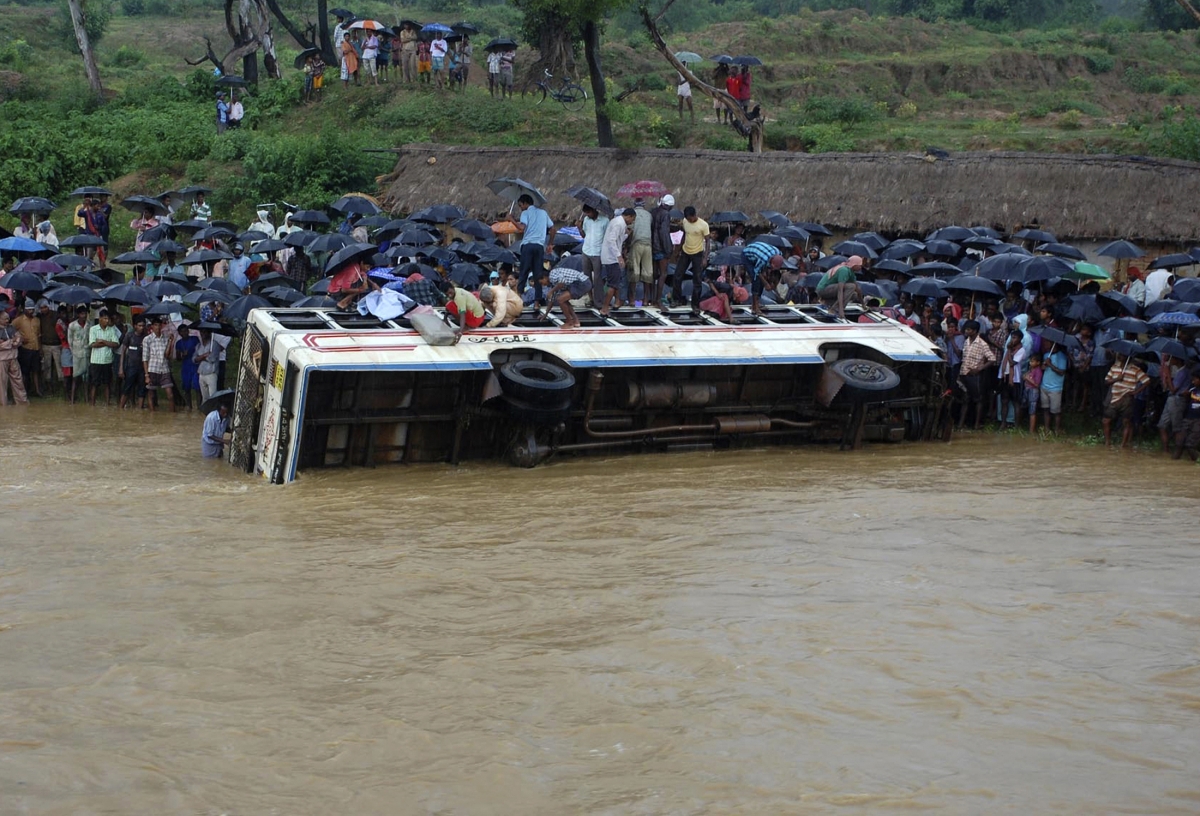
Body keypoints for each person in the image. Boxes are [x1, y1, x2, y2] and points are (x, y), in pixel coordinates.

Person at [510, 194, 556, 305]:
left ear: (526, 203)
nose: (521, 208)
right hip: (539, 246)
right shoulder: (543, 213)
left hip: (528, 245)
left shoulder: (525, 213)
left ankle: (518, 298)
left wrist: (511, 219)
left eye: (521, 205)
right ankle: (537, 302)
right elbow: (553, 229)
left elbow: (521, 228)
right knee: (537, 274)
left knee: (523, 272)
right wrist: (550, 244)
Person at [1103, 354, 1150, 448]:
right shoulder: (1114, 367)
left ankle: (1123, 444)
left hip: (1127, 399)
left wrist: (1135, 392)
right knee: (1106, 421)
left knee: (1126, 422)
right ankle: (1107, 442)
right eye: (1119, 354)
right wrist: (1117, 379)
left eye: (1122, 355)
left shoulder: (1135, 369)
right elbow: (1106, 381)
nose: (1119, 356)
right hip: (1114, 398)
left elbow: (1147, 381)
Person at [957, 319, 996, 430]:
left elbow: (992, 359)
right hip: (964, 373)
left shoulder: (982, 344)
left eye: (968, 329)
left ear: (974, 331)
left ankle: (977, 424)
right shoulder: (966, 341)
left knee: (978, 399)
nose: (966, 331)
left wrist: (980, 369)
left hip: (975, 375)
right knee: (965, 399)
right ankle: (961, 424)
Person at [672, 206, 711, 308]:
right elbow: (684, 235)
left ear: (694, 215)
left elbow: (707, 242)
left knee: (697, 280)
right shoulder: (685, 221)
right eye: (688, 219)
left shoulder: (703, 225)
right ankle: (677, 300)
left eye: (690, 219)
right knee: (677, 275)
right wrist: (678, 250)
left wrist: (705, 258)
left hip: (697, 253)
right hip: (685, 252)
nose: (689, 220)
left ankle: (695, 304)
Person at [600, 208, 635, 316]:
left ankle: (616, 303)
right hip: (611, 258)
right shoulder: (619, 224)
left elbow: (617, 239)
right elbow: (611, 240)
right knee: (613, 284)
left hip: (611, 257)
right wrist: (619, 257)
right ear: (628, 216)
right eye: (632, 219)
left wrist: (626, 235)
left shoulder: (617, 222)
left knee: (616, 281)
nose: (632, 222)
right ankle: (605, 308)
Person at [537, 265, 593, 329]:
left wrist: (551, 291)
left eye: (542, 283)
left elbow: (562, 282)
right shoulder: (555, 284)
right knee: (563, 300)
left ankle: (569, 322)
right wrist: (545, 314)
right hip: (582, 283)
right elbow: (552, 300)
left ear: (544, 278)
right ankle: (576, 321)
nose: (543, 285)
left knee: (560, 299)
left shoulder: (552, 275)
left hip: (581, 283)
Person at [741, 240, 787, 315]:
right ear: (771, 261)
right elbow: (757, 271)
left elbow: (769, 270)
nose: (773, 268)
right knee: (756, 280)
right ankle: (755, 308)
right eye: (772, 266)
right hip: (747, 255)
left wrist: (768, 281)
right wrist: (766, 283)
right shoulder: (764, 259)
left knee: (762, 279)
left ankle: (757, 303)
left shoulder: (779, 254)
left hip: (758, 254)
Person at [1157, 353, 1190, 453]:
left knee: (1177, 428)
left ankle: (1177, 451)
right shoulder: (1180, 371)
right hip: (1172, 399)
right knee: (1162, 426)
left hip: (1177, 400)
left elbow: (1173, 389)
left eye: (1172, 358)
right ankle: (1166, 450)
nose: (1170, 360)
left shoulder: (1183, 372)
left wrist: (1167, 374)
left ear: (1178, 360)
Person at [87, 309, 120, 406]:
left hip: (107, 360)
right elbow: (92, 344)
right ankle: (92, 404)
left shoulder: (111, 329)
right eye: (105, 318)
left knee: (107, 383)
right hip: (96, 361)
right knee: (94, 384)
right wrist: (107, 343)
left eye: (108, 319)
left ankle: (107, 403)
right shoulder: (93, 329)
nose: (107, 321)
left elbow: (115, 344)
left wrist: (103, 341)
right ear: (100, 319)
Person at [578, 204, 609, 307]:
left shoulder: (605, 221)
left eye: (589, 212)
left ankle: (598, 301)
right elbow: (584, 235)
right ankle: (590, 299)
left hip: (598, 252)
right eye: (586, 213)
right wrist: (579, 228)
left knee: (598, 279)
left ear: (594, 210)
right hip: (586, 250)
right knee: (586, 278)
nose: (587, 215)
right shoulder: (586, 220)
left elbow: (607, 238)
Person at [142, 317, 175, 413]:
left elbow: (167, 355)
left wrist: (170, 342)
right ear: (152, 326)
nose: (158, 327)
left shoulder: (165, 338)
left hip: (164, 369)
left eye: (159, 325)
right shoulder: (147, 339)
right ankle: (152, 414)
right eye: (155, 325)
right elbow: (145, 358)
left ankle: (172, 415)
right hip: (152, 369)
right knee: (151, 394)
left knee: (170, 395)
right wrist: (146, 375)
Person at [997, 330, 1026, 430]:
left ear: (1019, 339)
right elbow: (1004, 363)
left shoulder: (1021, 350)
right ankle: (1003, 423)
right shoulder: (1009, 348)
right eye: (1012, 337)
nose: (1012, 340)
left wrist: (1009, 350)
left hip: (1014, 379)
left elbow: (1012, 363)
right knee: (1004, 401)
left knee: (1015, 402)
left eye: (1015, 338)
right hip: (1005, 377)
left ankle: (1016, 425)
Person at [11, 299, 41, 397]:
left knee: (36, 371)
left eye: (32, 309)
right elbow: (10, 330)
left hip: (36, 348)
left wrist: (40, 349)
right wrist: (19, 339)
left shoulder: (37, 320)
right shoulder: (19, 320)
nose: (31, 311)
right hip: (25, 349)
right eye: (29, 310)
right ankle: (24, 392)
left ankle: (37, 391)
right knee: (25, 372)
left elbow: (39, 335)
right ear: (24, 309)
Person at [627, 199, 653, 306]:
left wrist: (627, 246)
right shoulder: (649, 215)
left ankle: (632, 300)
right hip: (648, 245)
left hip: (636, 244)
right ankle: (646, 300)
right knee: (647, 273)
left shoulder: (632, 215)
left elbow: (629, 232)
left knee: (634, 272)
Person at [1040, 341, 1069, 435]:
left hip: (1055, 388)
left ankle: (1057, 430)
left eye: (1047, 343)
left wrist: (1050, 365)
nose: (1045, 344)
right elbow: (1043, 368)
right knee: (1045, 409)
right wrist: (1043, 366)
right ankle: (1046, 429)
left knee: (1056, 411)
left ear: (1053, 344)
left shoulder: (1062, 356)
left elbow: (1062, 372)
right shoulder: (1046, 355)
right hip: (1044, 385)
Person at [118, 316, 147, 410]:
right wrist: (121, 368)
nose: (141, 327)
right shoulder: (129, 336)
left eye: (143, 326)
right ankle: (120, 409)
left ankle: (139, 410)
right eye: (139, 326)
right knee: (127, 388)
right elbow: (123, 351)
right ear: (135, 326)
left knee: (142, 389)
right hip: (131, 366)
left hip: (142, 368)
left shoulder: (146, 338)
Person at [0, 310, 28, 406]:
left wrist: (12, 342)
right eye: (5, 319)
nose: (8, 320)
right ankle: (3, 404)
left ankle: (21, 402)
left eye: (8, 318)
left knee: (18, 380)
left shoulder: (12, 328)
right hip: (2, 359)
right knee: (1, 382)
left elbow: (19, 338)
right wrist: (11, 342)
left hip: (13, 357)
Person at [650, 194, 674, 308]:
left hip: (652, 247)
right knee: (663, 274)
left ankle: (652, 299)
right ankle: (658, 300)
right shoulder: (665, 214)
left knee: (654, 274)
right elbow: (664, 233)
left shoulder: (653, 212)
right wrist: (669, 250)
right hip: (661, 248)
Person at [1172, 369, 1200, 461]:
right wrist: (1185, 395)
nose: (1193, 381)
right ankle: (1173, 463)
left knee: (1190, 445)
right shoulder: (1192, 389)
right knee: (1179, 443)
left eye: (1195, 379)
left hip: (1198, 421)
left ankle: (1197, 462)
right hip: (1188, 418)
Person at [37, 299, 63, 393]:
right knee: (47, 367)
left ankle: (62, 389)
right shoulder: (39, 317)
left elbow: (61, 327)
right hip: (45, 345)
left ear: (48, 307)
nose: (44, 309)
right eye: (42, 308)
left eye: (45, 307)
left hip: (57, 345)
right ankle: (49, 389)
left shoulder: (56, 315)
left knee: (60, 367)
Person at [67, 306, 90, 404]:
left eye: (85, 314)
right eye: (82, 314)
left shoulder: (89, 325)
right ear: (78, 315)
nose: (84, 316)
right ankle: (72, 400)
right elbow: (70, 340)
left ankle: (86, 398)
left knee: (86, 378)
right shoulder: (72, 325)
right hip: (76, 354)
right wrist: (73, 351)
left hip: (86, 353)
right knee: (75, 377)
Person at [175, 322, 200, 411]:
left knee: (197, 387)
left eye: (186, 331)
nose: (184, 333)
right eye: (182, 332)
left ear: (188, 331)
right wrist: (182, 355)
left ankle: (199, 407)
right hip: (185, 366)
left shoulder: (195, 339)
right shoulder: (178, 343)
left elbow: (199, 350)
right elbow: (177, 358)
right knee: (186, 387)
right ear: (179, 333)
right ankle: (189, 407)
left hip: (195, 365)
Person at [194, 327, 220, 404]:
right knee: (204, 398)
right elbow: (194, 359)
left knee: (213, 397)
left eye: (205, 332)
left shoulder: (214, 344)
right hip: (201, 373)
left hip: (211, 373)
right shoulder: (198, 345)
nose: (203, 334)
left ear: (209, 333)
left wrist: (200, 357)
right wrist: (204, 356)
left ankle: (213, 414)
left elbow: (212, 359)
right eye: (201, 332)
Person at [1023, 352, 1043, 434]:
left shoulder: (1038, 371)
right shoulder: (1031, 369)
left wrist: (1027, 379)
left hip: (1033, 391)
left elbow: (1037, 384)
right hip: (1028, 389)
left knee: (1032, 411)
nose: (1030, 363)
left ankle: (1031, 430)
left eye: (1032, 361)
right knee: (1027, 408)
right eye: (1030, 361)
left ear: (1038, 363)